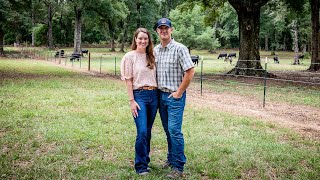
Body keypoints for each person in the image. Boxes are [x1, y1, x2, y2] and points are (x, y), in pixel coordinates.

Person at [153, 18, 195, 178]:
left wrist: (179, 92)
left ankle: (178, 166)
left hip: (175, 97)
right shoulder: (156, 50)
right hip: (160, 95)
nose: (163, 30)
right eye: (160, 28)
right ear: (157, 31)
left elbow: (190, 71)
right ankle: (170, 159)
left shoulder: (180, 49)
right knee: (167, 130)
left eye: (166, 28)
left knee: (174, 130)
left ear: (172, 30)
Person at [120, 28, 158, 176]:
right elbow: (128, 81)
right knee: (141, 131)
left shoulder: (152, 56)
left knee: (148, 132)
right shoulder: (130, 57)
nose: (143, 41)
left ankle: (145, 161)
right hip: (139, 95)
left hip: (153, 96)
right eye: (140, 38)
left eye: (145, 39)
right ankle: (140, 166)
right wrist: (132, 101)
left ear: (149, 40)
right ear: (135, 39)